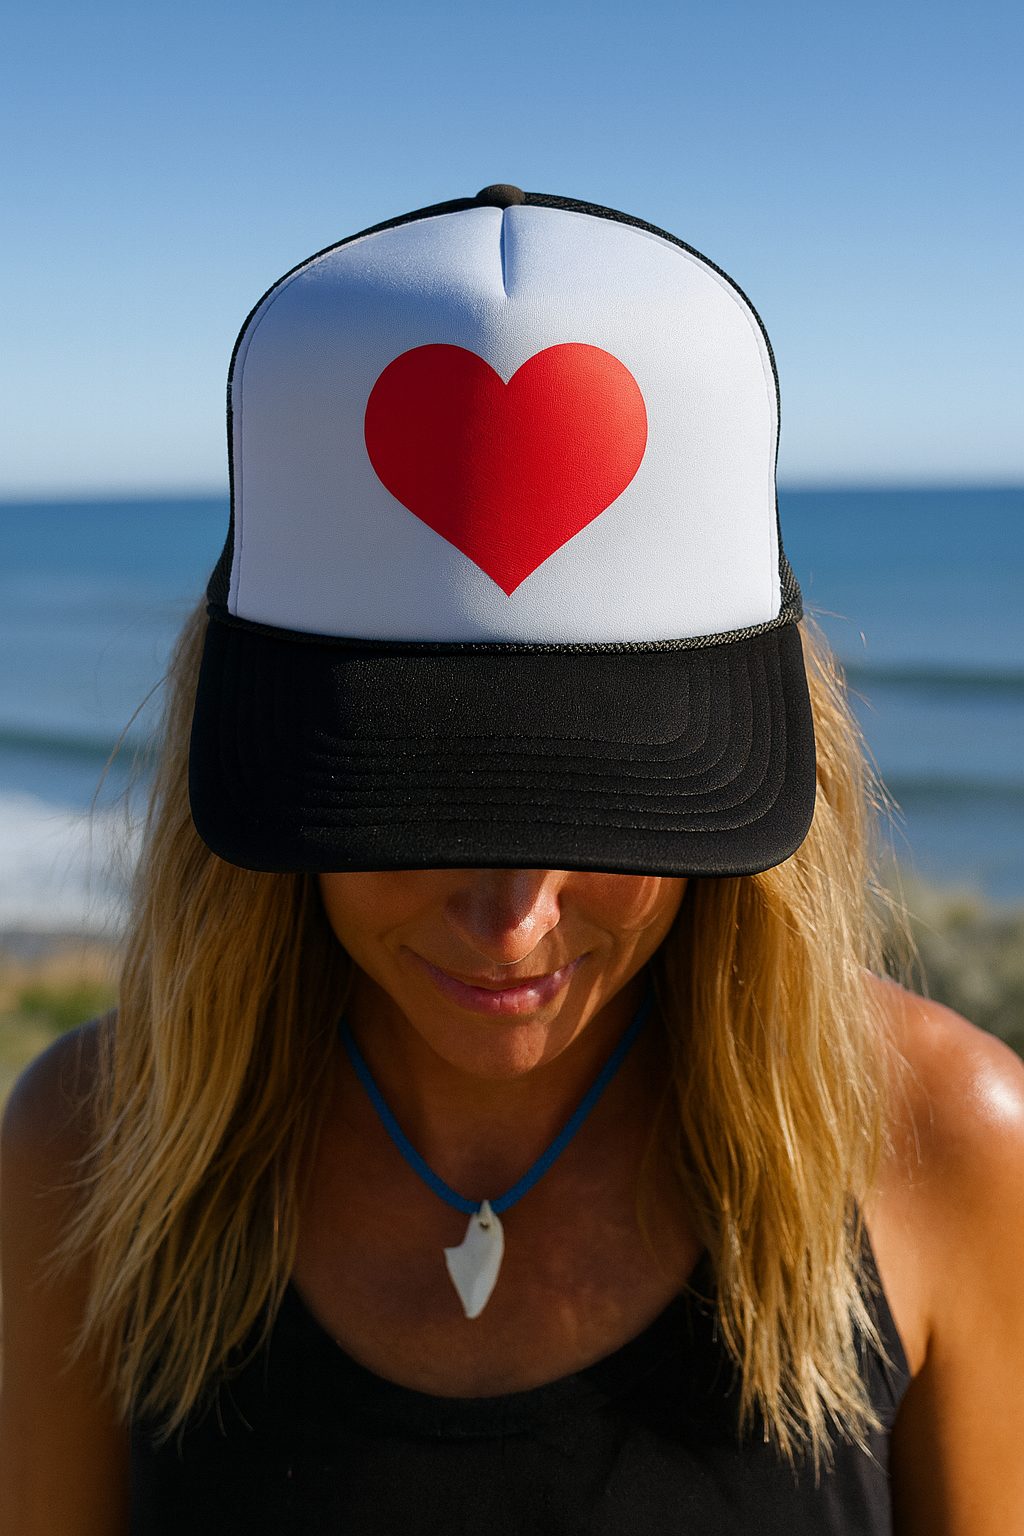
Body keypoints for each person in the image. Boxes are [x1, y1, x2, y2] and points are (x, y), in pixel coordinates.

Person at [1, 186, 1023, 1536]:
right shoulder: (86, 1150)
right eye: (415, 804)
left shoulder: (948, 1143)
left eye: (607, 809)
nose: (512, 915)